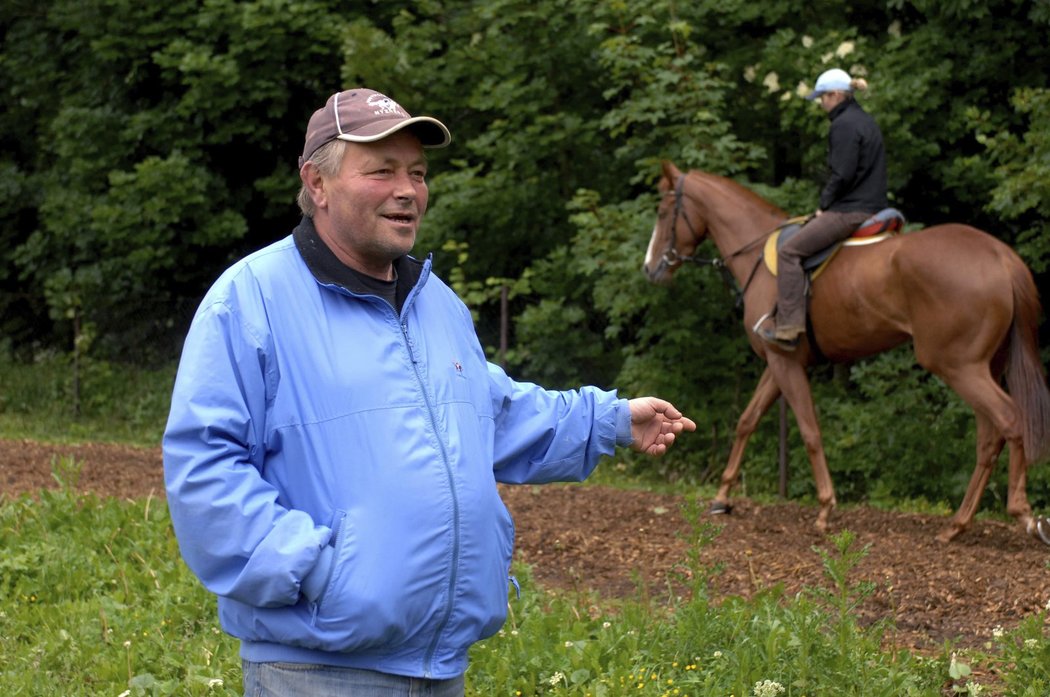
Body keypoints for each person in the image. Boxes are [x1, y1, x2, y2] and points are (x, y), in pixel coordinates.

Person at [162, 87, 696, 697]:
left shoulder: (436, 305)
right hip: (317, 669)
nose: (408, 190)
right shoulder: (251, 299)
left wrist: (611, 420)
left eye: (417, 172)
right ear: (317, 183)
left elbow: (493, 415)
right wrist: (319, 572)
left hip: (441, 668)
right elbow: (205, 469)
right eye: (382, 170)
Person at [756, 68, 888, 350]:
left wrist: (824, 206)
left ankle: (789, 329)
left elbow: (842, 174)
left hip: (851, 210)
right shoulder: (865, 120)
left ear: (836, 95)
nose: (821, 103)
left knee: (789, 252)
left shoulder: (843, 125)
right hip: (873, 205)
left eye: (823, 97)